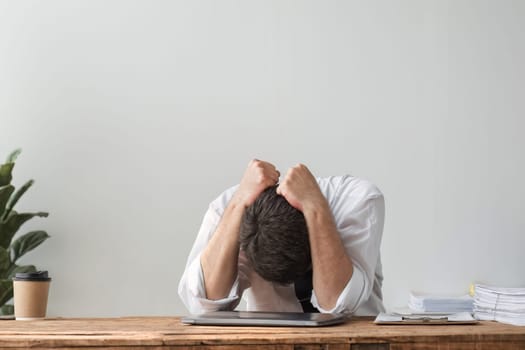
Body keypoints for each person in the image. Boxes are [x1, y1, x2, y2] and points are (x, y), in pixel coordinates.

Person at [178, 159, 385, 315]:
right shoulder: (228, 207)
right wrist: (238, 203)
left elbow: (338, 303)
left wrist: (315, 209)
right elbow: (201, 303)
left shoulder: (359, 199)